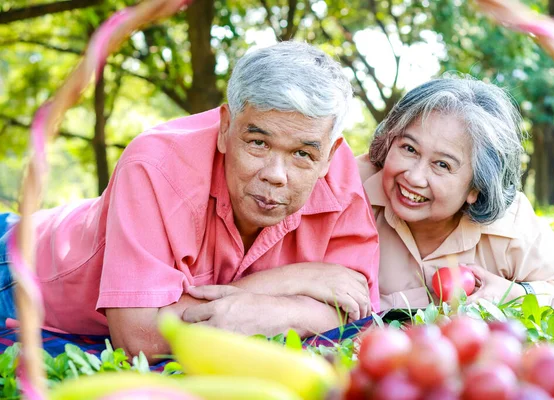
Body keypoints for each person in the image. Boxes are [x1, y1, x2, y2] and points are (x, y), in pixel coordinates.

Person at [0, 41, 380, 361]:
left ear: (330, 154)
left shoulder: (338, 180)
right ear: (226, 128)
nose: (276, 174)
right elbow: (139, 339)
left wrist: (268, 310)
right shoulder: (155, 164)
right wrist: (287, 287)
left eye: (302, 154)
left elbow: (356, 311)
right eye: (258, 143)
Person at [356, 76, 554, 311]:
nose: (414, 177)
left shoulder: (511, 223)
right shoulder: (349, 187)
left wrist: (518, 293)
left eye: (442, 165)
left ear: (476, 187)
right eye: (409, 149)